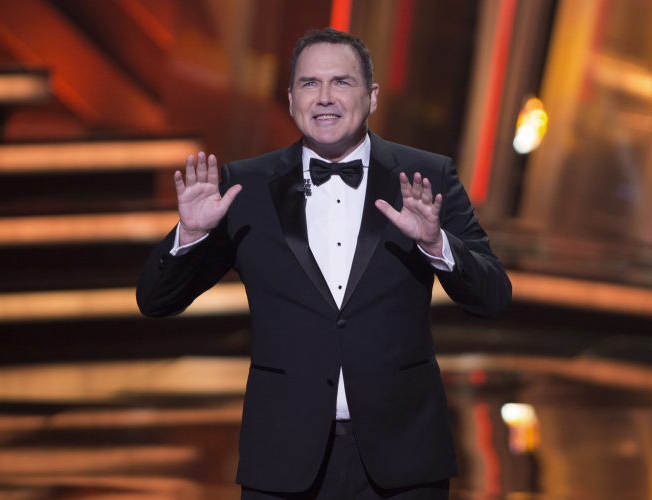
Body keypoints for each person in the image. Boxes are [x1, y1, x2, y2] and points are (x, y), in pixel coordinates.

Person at [137, 28, 511, 499]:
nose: (325, 98)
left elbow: (494, 296)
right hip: (283, 458)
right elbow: (156, 301)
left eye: (342, 82)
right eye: (310, 83)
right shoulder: (244, 187)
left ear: (372, 96)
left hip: (405, 457)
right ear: (291, 98)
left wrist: (437, 244)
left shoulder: (426, 176)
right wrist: (190, 235)